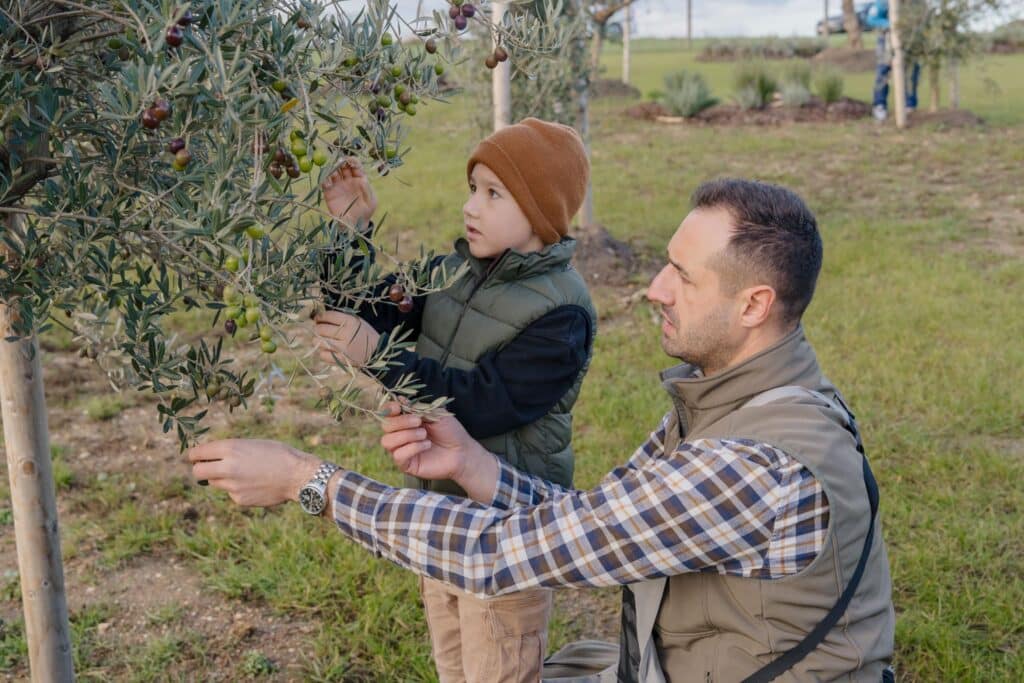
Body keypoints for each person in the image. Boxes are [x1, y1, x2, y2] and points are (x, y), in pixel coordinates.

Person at [190, 179, 896, 682]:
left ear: (754, 305)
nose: (654, 287)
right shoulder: (743, 401)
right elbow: (591, 519)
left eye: (682, 275)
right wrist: (475, 467)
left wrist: (303, 479)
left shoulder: (750, 462)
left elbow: (500, 555)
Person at [310, 117, 598, 683]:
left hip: (508, 539)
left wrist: (378, 357)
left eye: (494, 194)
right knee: (454, 667)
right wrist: (349, 230)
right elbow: (371, 313)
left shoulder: (563, 314)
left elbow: (482, 403)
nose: (472, 206)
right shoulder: (453, 271)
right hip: (443, 518)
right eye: (473, 189)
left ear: (541, 211)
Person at [866, 0, 922, 121]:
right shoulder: (884, 2)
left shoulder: (916, 3)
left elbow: (922, 17)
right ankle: (879, 105)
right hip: (887, 40)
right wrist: (891, 24)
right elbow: (871, 19)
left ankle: (910, 105)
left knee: (913, 71)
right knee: (883, 71)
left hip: (910, 39)